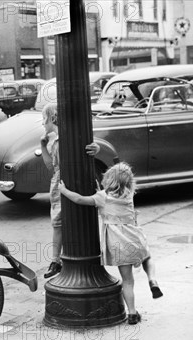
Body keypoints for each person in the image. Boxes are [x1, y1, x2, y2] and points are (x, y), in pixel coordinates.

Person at [59, 162, 163, 325]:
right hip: (135, 238)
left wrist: (64, 191)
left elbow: (80, 199)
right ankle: (152, 280)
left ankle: (132, 314)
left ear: (108, 179)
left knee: (127, 281)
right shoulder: (128, 195)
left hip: (118, 244)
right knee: (147, 258)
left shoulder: (102, 197)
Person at [39, 103, 100, 279]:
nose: (43, 124)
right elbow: (51, 166)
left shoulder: (70, 136)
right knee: (57, 222)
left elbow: (92, 146)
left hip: (72, 182)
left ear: (52, 118)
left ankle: (70, 258)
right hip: (59, 183)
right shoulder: (53, 141)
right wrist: (43, 145)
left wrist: (96, 148)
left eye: (44, 119)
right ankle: (56, 260)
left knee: (77, 218)